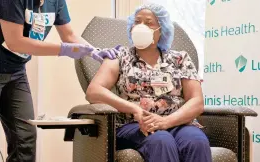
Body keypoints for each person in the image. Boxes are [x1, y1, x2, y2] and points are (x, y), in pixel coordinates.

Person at [86, 3, 212, 162]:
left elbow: (196, 101)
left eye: (149, 22)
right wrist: (134, 109)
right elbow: (94, 91)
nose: (141, 26)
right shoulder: (119, 55)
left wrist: (165, 122)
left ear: (162, 30)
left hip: (178, 123)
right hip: (135, 125)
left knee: (197, 142)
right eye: (137, 22)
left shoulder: (180, 59)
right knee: (161, 140)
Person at [0, 0, 119, 161]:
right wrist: (62, 50)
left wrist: (94, 51)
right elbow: (15, 42)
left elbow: (69, 35)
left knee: (25, 139)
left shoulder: (55, 2)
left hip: (16, 71)